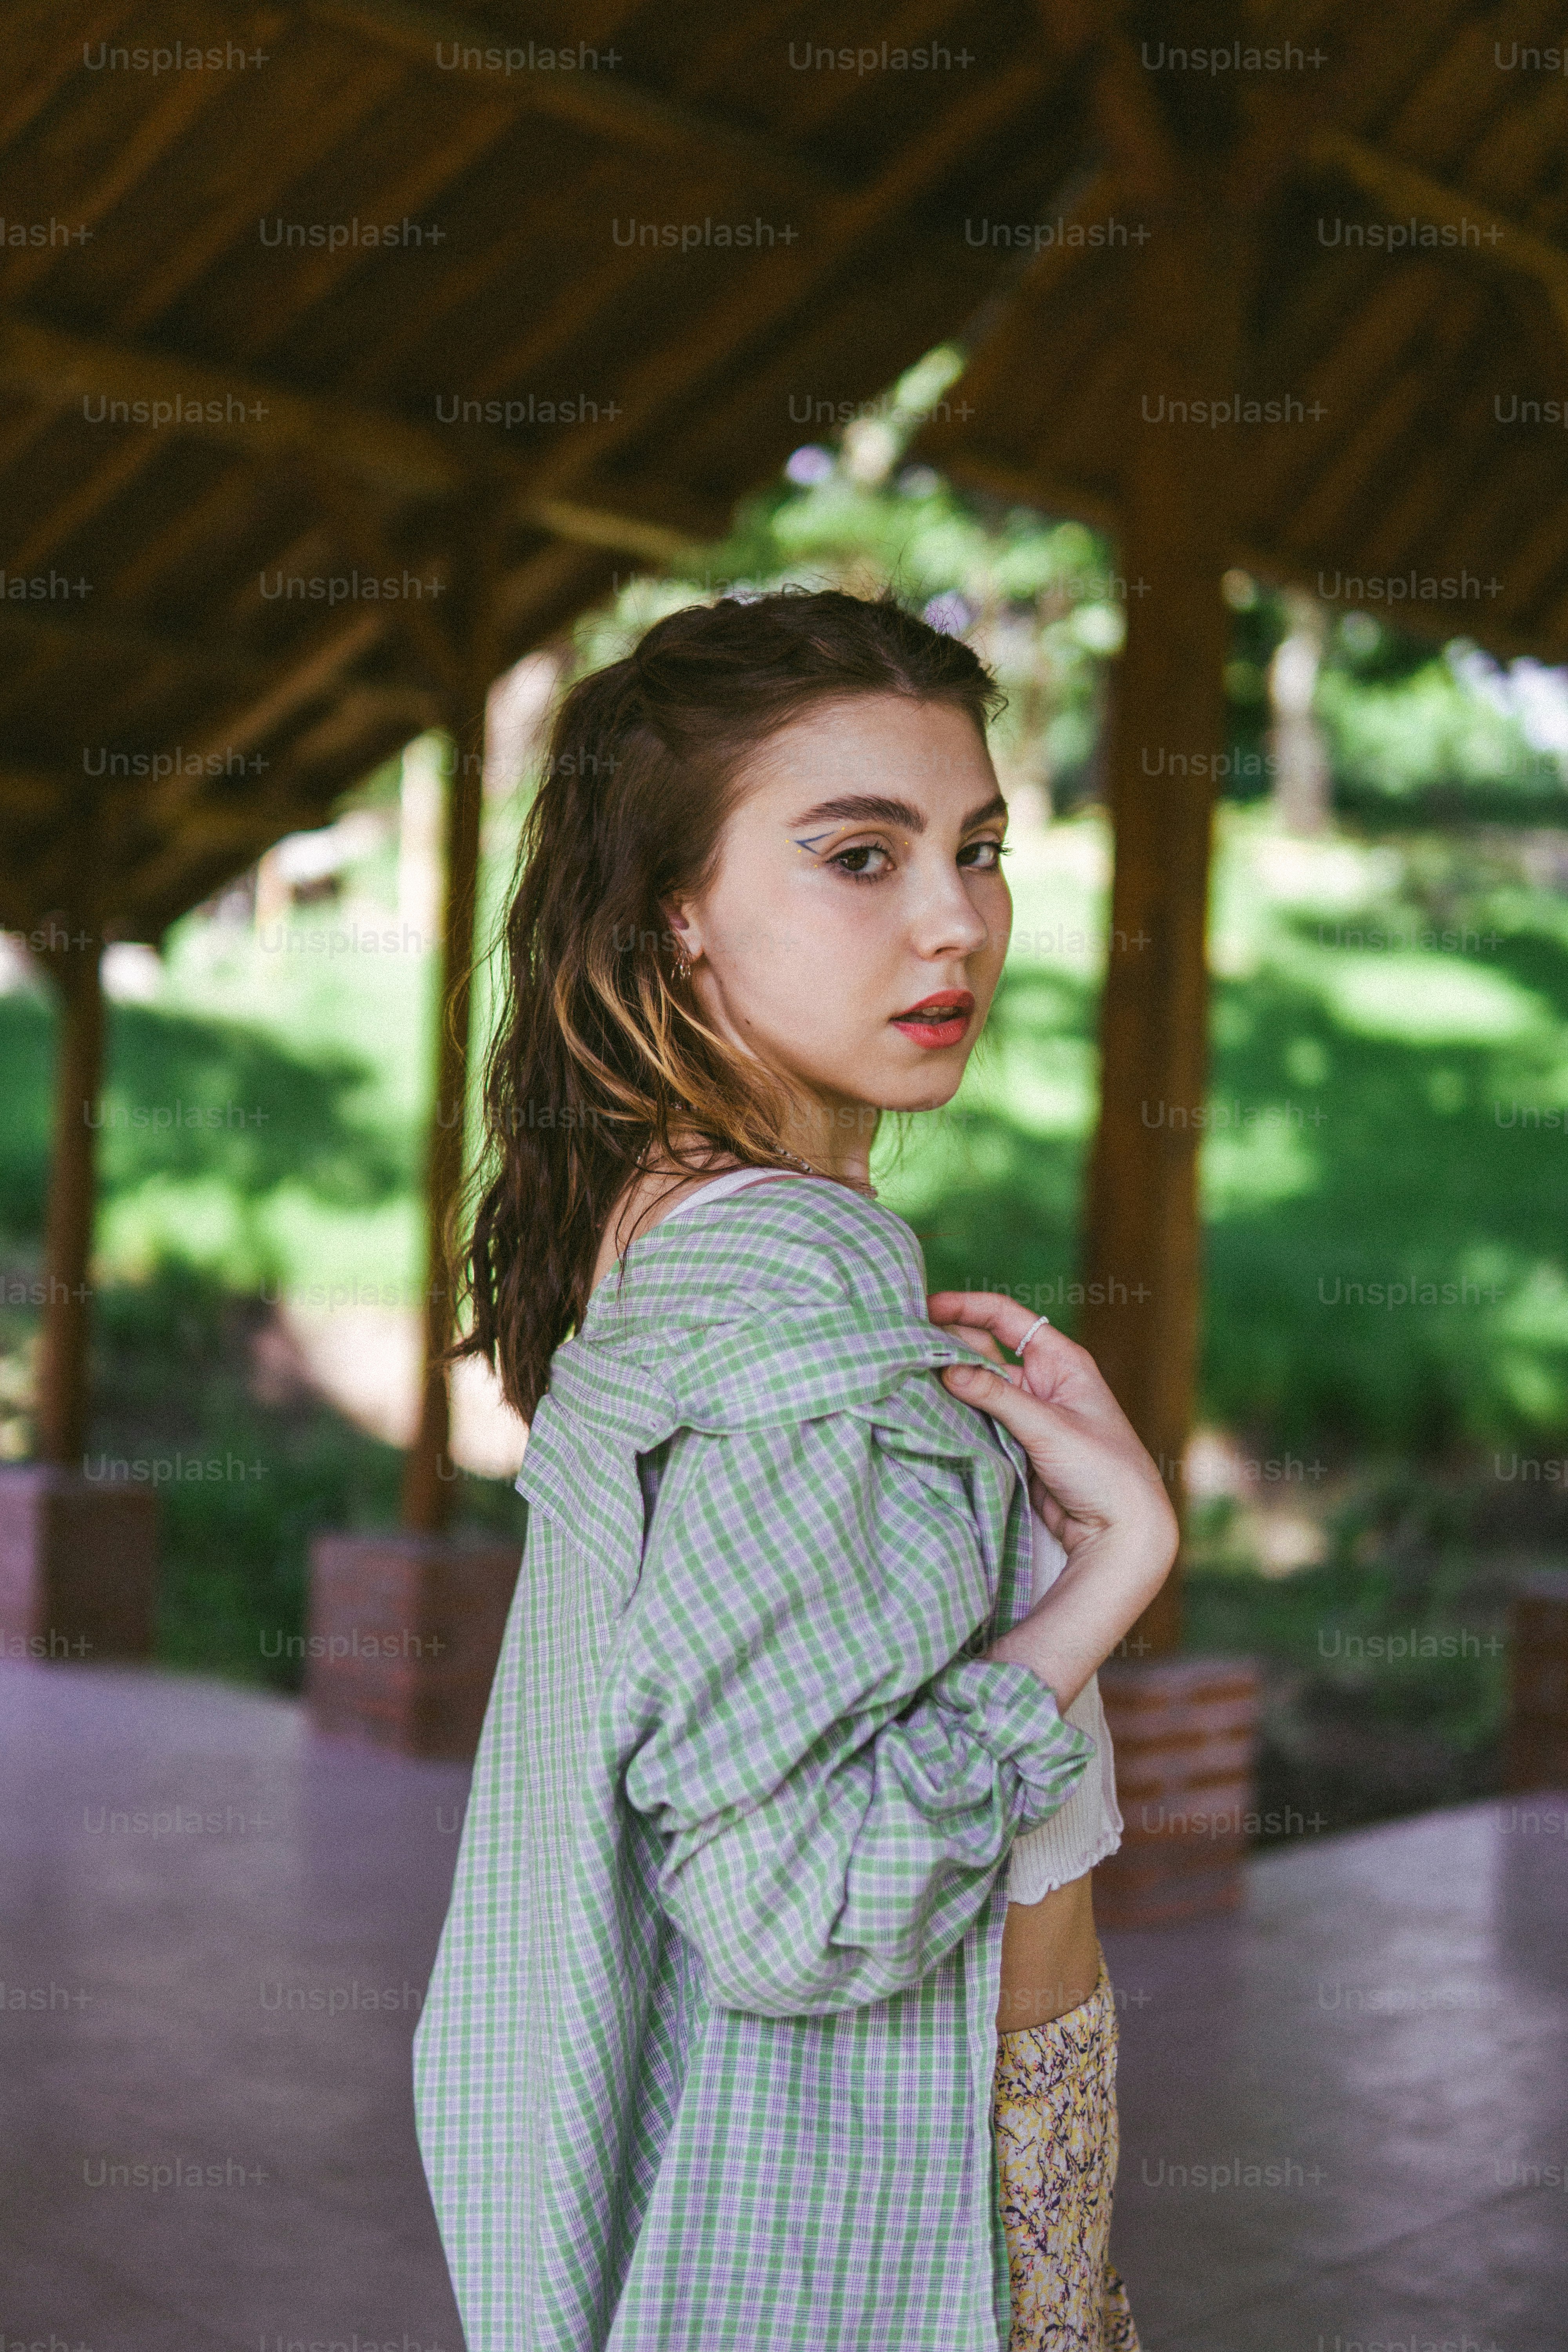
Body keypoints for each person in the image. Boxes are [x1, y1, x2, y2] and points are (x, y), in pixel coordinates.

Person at [412, 588, 1178, 2350]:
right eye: (859, 855)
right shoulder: (792, 1267)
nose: (954, 924)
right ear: (674, 915)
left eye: (979, 850)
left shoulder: (671, 1220)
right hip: (915, 2192)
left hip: (932, 2147)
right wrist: (1109, 1577)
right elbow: (796, 1908)